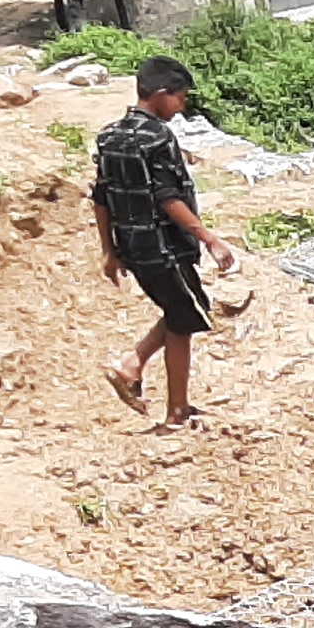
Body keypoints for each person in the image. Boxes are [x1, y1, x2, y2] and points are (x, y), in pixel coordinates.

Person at [92, 54, 246, 428]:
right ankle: (130, 365)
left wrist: (109, 251)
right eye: (179, 98)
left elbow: (100, 197)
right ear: (161, 94)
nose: (181, 106)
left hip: (133, 247)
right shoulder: (158, 137)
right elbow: (168, 197)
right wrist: (209, 238)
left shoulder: (109, 137)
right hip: (164, 248)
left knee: (181, 317)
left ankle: (177, 408)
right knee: (191, 312)